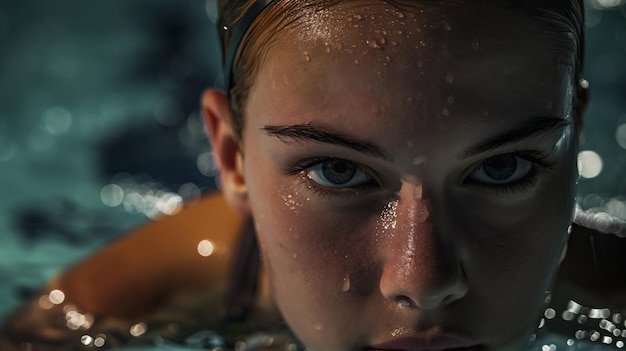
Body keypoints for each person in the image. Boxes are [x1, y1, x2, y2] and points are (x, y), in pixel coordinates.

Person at [1, 0, 625, 350]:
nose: (424, 280)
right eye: (338, 171)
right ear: (232, 158)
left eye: (501, 167)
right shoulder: (168, 279)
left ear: (574, 145)